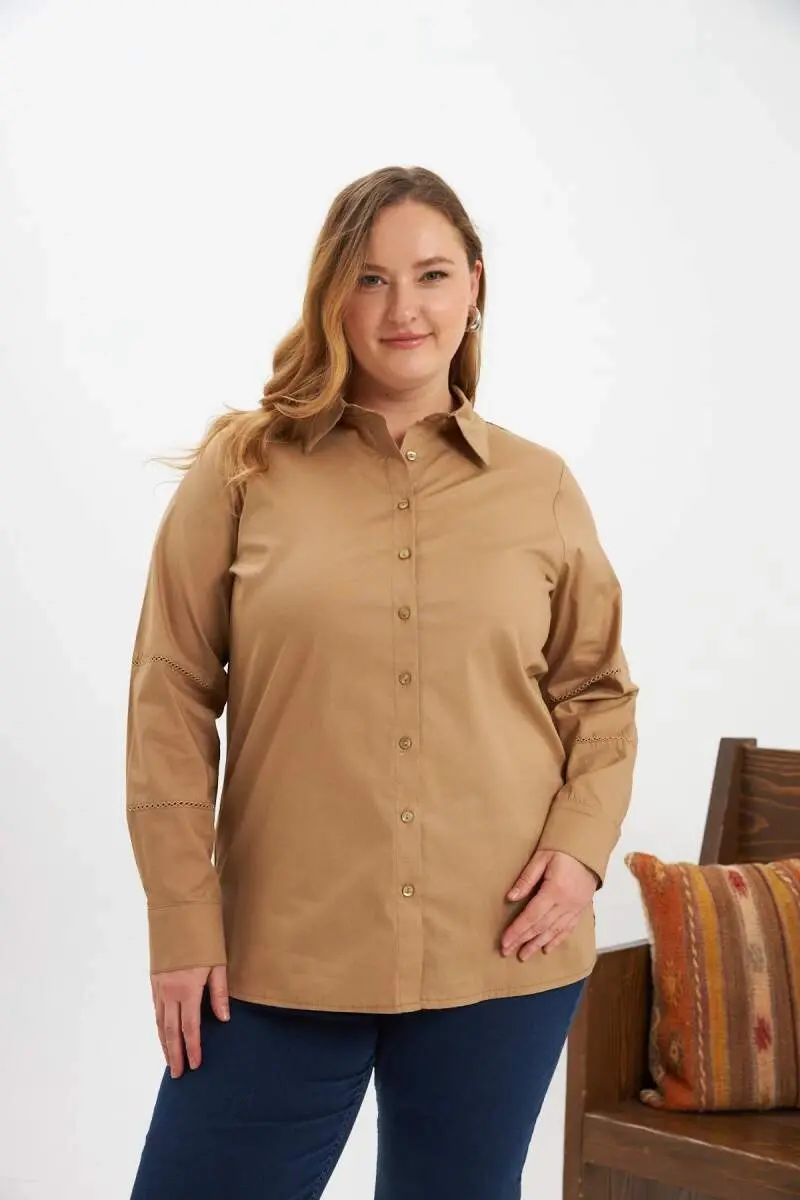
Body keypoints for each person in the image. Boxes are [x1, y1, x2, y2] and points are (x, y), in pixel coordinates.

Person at [125, 164, 639, 1200]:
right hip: (275, 959)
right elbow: (169, 695)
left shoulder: (539, 486)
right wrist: (182, 923)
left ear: (474, 286)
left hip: (500, 952)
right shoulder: (242, 471)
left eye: (432, 274)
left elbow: (596, 693)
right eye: (369, 278)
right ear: (332, 296)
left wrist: (580, 854)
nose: (403, 307)